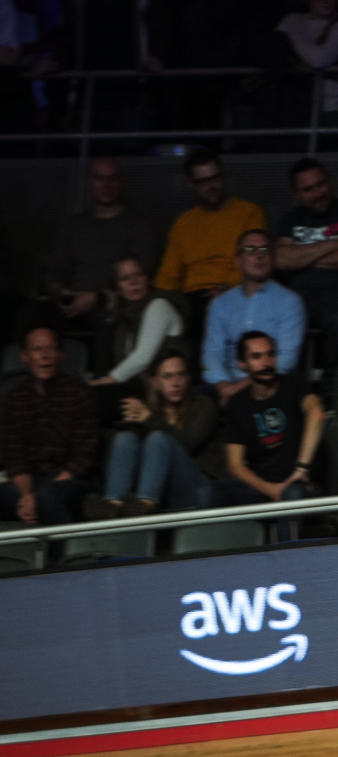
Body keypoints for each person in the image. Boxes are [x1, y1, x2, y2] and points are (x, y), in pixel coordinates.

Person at [214, 331, 323, 541]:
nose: (266, 362)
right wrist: (270, 489)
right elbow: (235, 465)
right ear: (242, 364)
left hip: (300, 484)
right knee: (208, 494)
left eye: (270, 355)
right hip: (261, 487)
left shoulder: (293, 385)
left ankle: (285, 566)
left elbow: (316, 413)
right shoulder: (238, 403)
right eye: (257, 357)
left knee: (291, 495)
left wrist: (301, 467)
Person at [272, 157, 338, 376]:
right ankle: (293, 395)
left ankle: (334, 391)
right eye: (308, 190)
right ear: (297, 194)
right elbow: (281, 261)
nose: (318, 193)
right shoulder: (288, 220)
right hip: (296, 297)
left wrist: (302, 255)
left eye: (321, 185)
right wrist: (333, 243)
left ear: (330, 182)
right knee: (279, 324)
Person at [94, 348, 220, 517]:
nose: (176, 383)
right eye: (167, 376)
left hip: (195, 485)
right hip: (161, 487)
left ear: (188, 378)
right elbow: (133, 453)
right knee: (125, 438)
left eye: (181, 375)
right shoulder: (150, 409)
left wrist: (148, 419)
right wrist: (136, 421)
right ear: (155, 382)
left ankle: (145, 506)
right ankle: (112, 505)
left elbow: (187, 443)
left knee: (159, 439)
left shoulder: (204, 405)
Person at [39, 157, 158, 334]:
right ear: (89, 183)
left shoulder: (138, 225)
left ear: (121, 183)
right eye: (99, 178)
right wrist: (60, 292)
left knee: (108, 320)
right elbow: (56, 270)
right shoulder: (73, 225)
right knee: (31, 314)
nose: (106, 184)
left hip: (112, 302)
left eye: (113, 178)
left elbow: (141, 276)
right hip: (72, 301)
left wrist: (98, 297)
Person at [0, 327, 98, 526]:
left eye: (50, 349)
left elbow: (84, 456)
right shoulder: (15, 398)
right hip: (32, 480)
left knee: (48, 496)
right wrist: (27, 496)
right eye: (37, 350)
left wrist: (39, 495)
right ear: (25, 356)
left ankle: (60, 556)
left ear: (60, 355)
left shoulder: (80, 392)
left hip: (73, 481)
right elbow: (16, 456)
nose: (44, 356)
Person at [154, 151, 268, 317]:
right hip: (191, 296)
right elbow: (168, 275)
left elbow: (258, 258)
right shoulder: (184, 223)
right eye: (203, 182)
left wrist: (231, 287)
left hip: (234, 289)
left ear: (224, 176)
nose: (211, 186)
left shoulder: (250, 213)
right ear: (191, 185)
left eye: (215, 178)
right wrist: (159, 299)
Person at [202, 230, 306, 402]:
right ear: (238, 262)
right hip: (226, 384)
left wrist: (239, 388)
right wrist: (223, 386)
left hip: (270, 383)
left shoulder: (290, 301)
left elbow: (286, 359)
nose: (259, 255)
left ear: (272, 259)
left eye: (265, 250)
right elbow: (213, 353)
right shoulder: (220, 304)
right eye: (250, 250)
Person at [93, 256, 185, 392]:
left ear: (148, 280)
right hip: (139, 388)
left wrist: (107, 381)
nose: (134, 282)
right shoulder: (124, 319)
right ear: (117, 288)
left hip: (166, 389)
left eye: (139, 275)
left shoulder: (159, 306)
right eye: (125, 278)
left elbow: (142, 358)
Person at [276, 0, 338, 133]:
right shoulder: (293, 19)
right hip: (299, 105)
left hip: (337, 105)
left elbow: (320, 59)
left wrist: (293, 33)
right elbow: (276, 51)